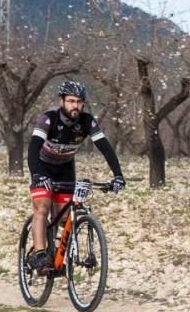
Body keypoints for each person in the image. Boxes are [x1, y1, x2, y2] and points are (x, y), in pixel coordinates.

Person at [26, 80, 124, 272]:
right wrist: (37, 174)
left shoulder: (87, 121)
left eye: (79, 102)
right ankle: (39, 254)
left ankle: (57, 255)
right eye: (71, 101)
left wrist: (118, 176)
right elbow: (33, 148)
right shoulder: (48, 119)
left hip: (65, 168)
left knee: (64, 217)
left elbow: (105, 148)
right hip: (42, 167)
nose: (75, 106)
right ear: (62, 101)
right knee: (43, 208)